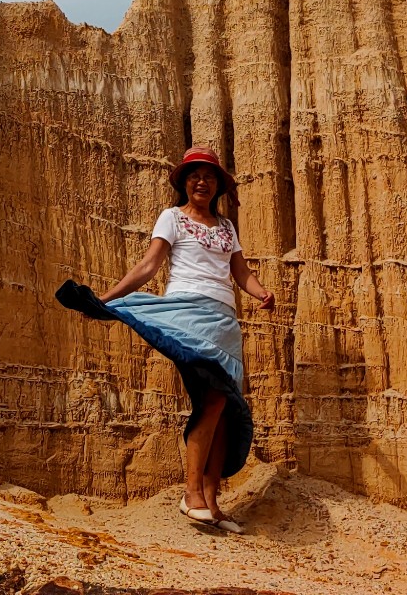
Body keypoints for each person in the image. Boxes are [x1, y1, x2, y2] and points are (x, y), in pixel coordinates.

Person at [56, 147, 275, 531]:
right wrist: (106, 299)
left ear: (218, 185)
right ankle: (191, 494)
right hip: (185, 314)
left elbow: (240, 272)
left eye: (208, 176)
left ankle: (212, 502)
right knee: (211, 401)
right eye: (194, 175)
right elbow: (148, 266)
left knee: (223, 405)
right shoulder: (172, 218)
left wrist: (260, 293)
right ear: (184, 183)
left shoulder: (226, 227)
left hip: (224, 321)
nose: (201, 181)